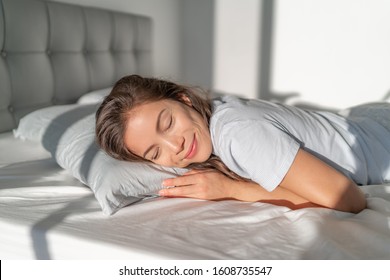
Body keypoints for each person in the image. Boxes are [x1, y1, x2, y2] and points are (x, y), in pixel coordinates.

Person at [95, 74, 390, 213]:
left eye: (168, 123)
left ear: (183, 99)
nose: (176, 147)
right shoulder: (217, 112)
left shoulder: (236, 134)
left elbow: (348, 200)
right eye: (155, 152)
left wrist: (230, 189)